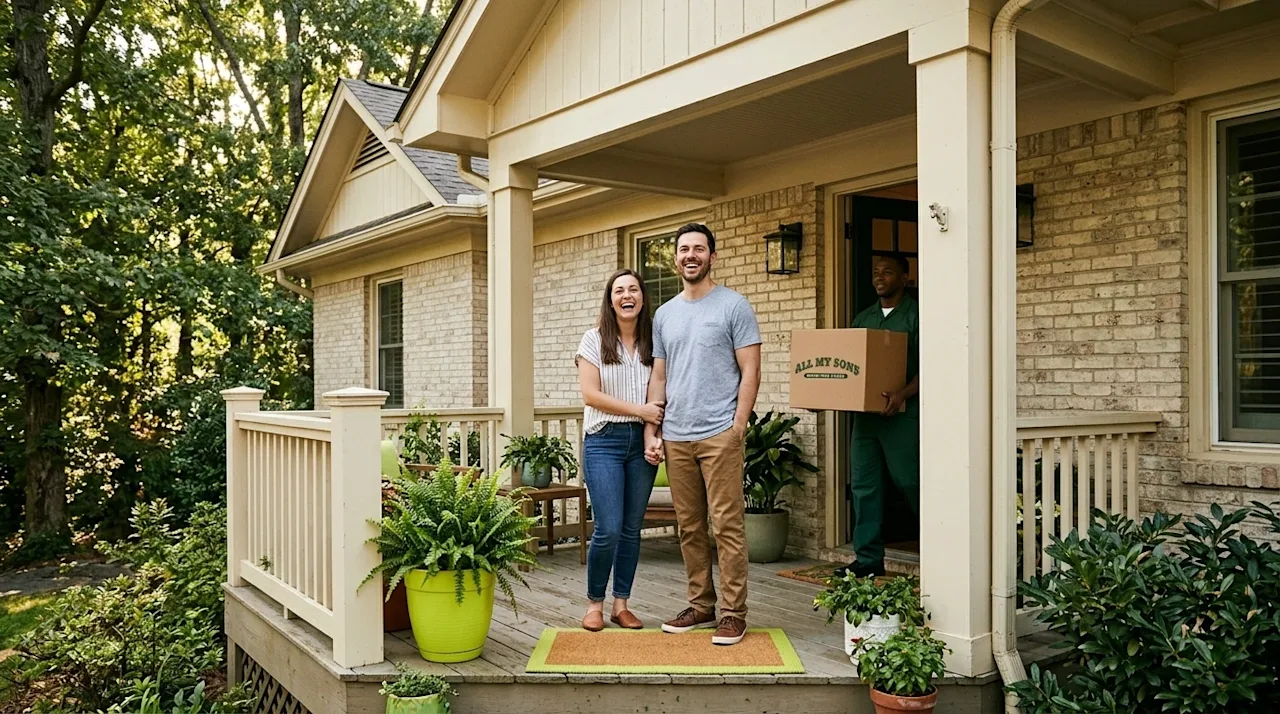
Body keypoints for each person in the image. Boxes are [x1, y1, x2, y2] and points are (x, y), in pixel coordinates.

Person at [644, 223, 761, 646]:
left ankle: (733, 613)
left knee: (727, 526)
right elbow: (660, 375)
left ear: (712, 256)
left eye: (698, 248)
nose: (690, 255)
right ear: (676, 258)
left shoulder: (734, 306)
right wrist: (653, 429)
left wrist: (738, 427)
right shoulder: (665, 314)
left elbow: (750, 368)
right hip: (676, 435)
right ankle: (701, 604)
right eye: (683, 249)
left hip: (719, 433)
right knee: (690, 527)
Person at [575, 269, 666, 631]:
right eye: (619, 290)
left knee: (631, 528)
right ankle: (594, 604)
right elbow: (590, 395)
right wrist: (640, 411)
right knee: (608, 528)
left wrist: (651, 432)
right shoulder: (593, 340)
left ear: (642, 298)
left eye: (633, 289)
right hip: (604, 441)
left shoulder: (653, 343)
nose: (626, 295)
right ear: (610, 299)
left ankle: (621, 604)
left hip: (639, 440)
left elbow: (658, 393)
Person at [836, 254, 920, 578]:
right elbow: (849, 371)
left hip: (903, 415)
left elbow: (932, 364)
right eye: (875, 272)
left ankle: (942, 549)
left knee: (912, 482)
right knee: (864, 486)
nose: (879, 277)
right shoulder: (863, 318)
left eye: (887, 271)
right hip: (867, 420)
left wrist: (903, 394)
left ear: (905, 276)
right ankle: (868, 559)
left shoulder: (917, 315)